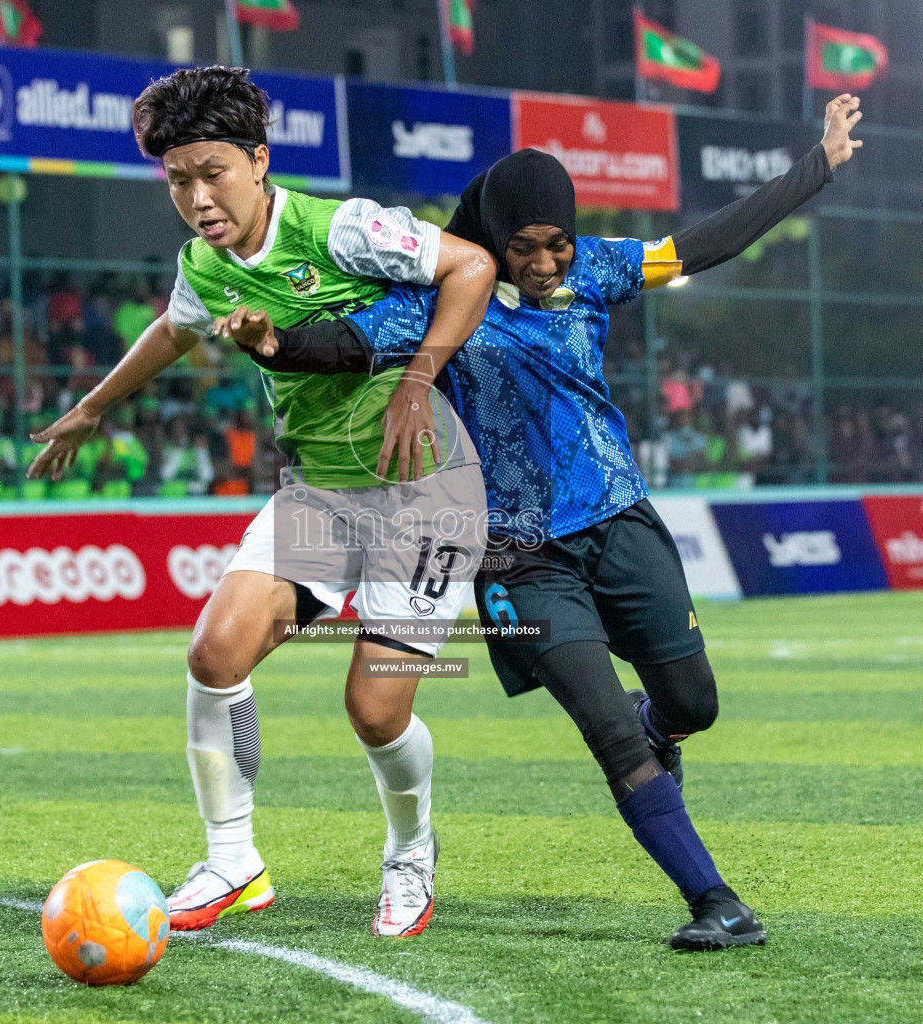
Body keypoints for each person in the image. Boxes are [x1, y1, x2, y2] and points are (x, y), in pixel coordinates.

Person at [223, 94, 866, 952]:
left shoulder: (598, 268)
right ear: (494, 242)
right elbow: (345, 342)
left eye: (556, 242)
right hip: (517, 553)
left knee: (692, 704)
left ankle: (661, 729)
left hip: (620, 518)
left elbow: (707, 244)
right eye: (523, 247)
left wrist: (816, 164)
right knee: (604, 725)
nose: (545, 261)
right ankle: (715, 899)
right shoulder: (441, 295)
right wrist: (275, 345)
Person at [28, 65, 496, 938]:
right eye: (177, 181)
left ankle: (410, 854)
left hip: (427, 493)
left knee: (375, 707)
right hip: (321, 488)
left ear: (258, 160)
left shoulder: (340, 229)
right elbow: (175, 327)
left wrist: (420, 371)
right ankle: (233, 862)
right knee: (215, 651)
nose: (198, 198)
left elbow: (472, 264)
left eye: (213, 174)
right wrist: (93, 407)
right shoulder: (203, 263)